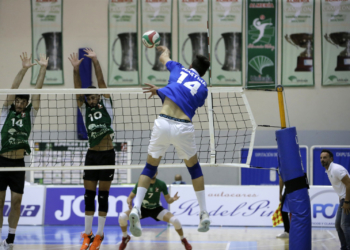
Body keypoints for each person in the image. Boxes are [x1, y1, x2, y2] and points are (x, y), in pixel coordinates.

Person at [129, 45, 211, 237]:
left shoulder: (178, 68)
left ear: (190, 65)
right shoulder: (204, 88)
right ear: (203, 72)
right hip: (183, 126)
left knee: (149, 167)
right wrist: (164, 91)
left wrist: (164, 49)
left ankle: (136, 208)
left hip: (163, 123)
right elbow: (185, 98)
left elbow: (163, 59)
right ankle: (204, 212)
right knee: (194, 169)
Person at [0, 53, 48, 250]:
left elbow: (38, 92)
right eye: (17, 101)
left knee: (17, 202)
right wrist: (24, 68)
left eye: (22, 102)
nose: (19, 103)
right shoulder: (5, 111)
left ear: (26, 104)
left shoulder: (30, 114)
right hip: (2, 161)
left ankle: (10, 239)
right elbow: (13, 88)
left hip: (18, 164)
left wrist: (43, 68)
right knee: (0, 201)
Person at [69, 49, 115, 250]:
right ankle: (87, 235)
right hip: (92, 154)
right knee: (88, 195)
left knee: (103, 196)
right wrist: (75, 69)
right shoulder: (84, 107)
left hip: (108, 154)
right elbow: (77, 89)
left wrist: (96, 60)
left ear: (99, 96)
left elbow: (101, 80)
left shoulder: (107, 104)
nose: (92, 98)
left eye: (95, 95)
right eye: (89, 97)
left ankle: (99, 235)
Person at [118, 172, 192, 250]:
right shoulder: (141, 183)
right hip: (142, 209)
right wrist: (129, 202)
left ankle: (183, 239)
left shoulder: (161, 184)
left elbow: (168, 200)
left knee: (175, 221)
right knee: (122, 217)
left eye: (154, 171)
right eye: (151, 171)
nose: (152, 173)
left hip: (156, 209)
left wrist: (173, 199)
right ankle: (125, 237)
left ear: (156, 173)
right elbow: (129, 197)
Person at [321, 149, 350, 249]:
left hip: (348, 199)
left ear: (331, 159)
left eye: (325, 157)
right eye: (321, 158)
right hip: (343, 199)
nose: (322, 159)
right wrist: (342, 199)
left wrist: (347, 201)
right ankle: (344, 247)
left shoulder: (336, 169)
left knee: (345, 225)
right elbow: (341, 187)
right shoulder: (328, 170)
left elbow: (349, 183)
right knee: (338, 225)